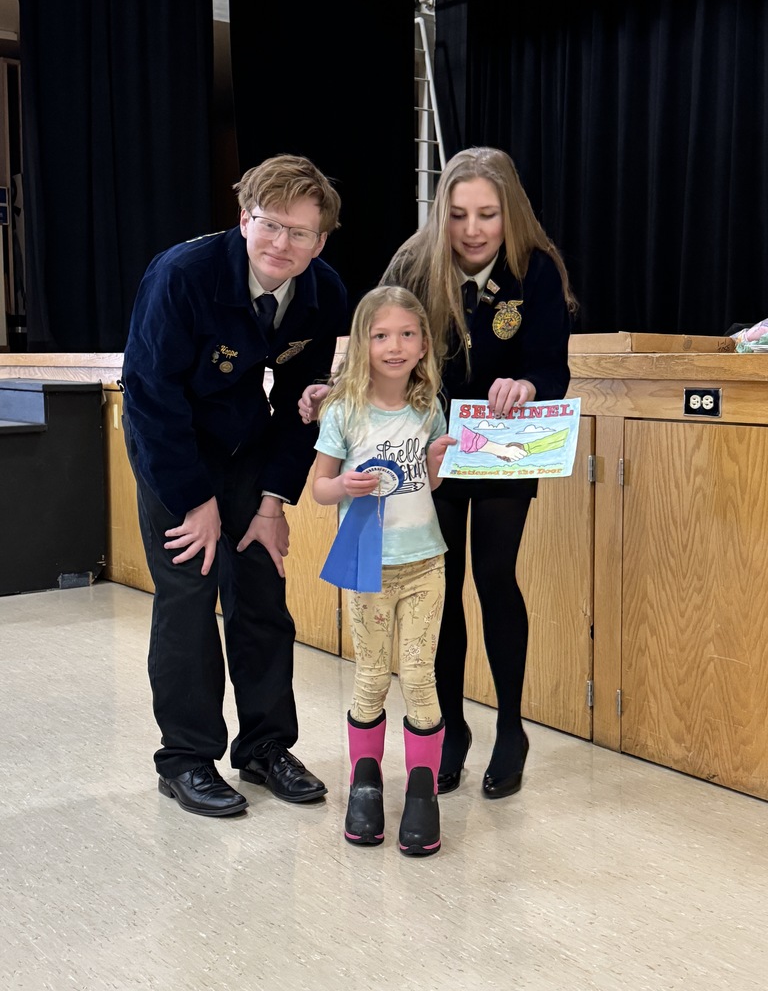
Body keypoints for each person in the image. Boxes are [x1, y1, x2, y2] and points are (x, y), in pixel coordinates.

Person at [300, 146, 577, 801]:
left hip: (502, 444)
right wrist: (333, 388)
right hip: (425, 448)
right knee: (439, 584)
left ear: (509, 212)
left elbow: (553, 366)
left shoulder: (535, 271)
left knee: (494, 576)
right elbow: (377, 333)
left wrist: (528, 381)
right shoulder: (412, 263)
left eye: (487, 213)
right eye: (458, 214)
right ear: (440, 213)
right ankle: (448, 727)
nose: (473, 229)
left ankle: (511, 727)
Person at [121, 154, 349, 818]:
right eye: (271, 225)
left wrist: (274, 501)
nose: (283, 244)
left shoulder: (322, 291)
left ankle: (265, 747)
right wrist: (196, 501)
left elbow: (302, 407)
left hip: (247, 443)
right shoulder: (182, 276)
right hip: (173, 444)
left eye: (301, 233)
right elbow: (150, 394)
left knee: (260, 588)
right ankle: (186, 758)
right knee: (190, 591)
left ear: (321, 240)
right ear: (245, 218)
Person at [312, 285, 455, 855]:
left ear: (423, 344)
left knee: (419, 675)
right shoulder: (343, 410)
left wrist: (439, 466)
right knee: (372, 676)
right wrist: (343, 485)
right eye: (380, 335)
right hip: (368, 566)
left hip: (426, 563)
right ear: (362, 342)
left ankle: (422, 793)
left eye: (407, 334)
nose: (394, 346)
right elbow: (320, 487)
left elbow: (428, 484)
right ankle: (364, 783)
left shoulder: (429, 407)